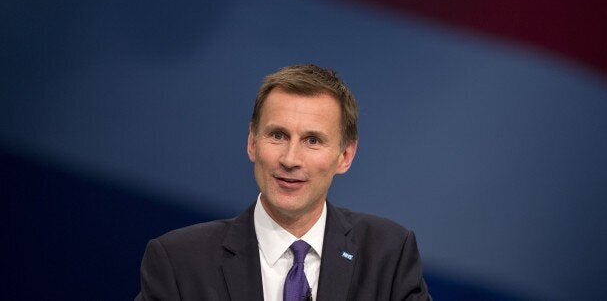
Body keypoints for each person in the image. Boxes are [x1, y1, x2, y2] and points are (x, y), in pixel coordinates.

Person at [135, 64, 431, 300]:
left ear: (345, 156)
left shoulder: (387, 255)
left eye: (312, 140)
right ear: (252, 143)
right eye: (278, 135)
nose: (290, 159)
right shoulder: (181, 261)